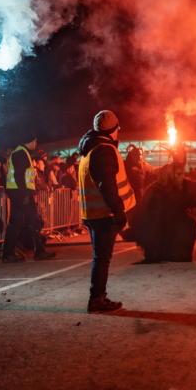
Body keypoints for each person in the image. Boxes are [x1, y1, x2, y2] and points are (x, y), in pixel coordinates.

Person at [78, 110, 136, 312]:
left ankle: (98, 297)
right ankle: (97, 299)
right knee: (102, 259)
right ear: (114, 130)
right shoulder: (105, 150)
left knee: (99, 258)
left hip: (92, 214)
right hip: (104, 214)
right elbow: (107, 185)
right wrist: (119, 212)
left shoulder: (88, 150)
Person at [2, 133, 56, 262]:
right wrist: (25, 194)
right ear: (31, 141)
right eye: (35, 141)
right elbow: (19, 176)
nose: (36, 144)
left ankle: (12, 253)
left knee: (25, 222)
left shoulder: (21, 152)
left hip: (19, 192)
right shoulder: (21, 153)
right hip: (21, 193)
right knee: (26, 222)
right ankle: (13, 253)